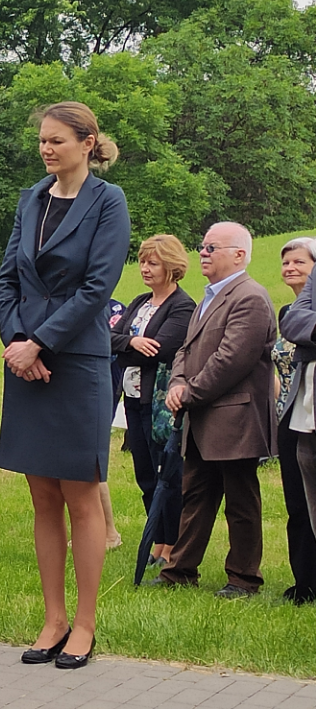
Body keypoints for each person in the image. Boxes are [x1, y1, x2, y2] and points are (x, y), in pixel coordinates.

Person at [0, 103, 129, 668]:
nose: (46, 149)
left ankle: (85, 624)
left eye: (57, 140)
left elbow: (98, 287)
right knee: (42, 497)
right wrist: (17, 344)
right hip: (26, 362)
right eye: (42, 141)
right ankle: (53, 620)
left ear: (87, 142)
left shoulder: (108, 201)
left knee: (81, 495)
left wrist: (41, 343)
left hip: (76, 363)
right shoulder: (31, 198)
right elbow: (6, 279)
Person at [156, 223, 275, 598]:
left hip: (236, 418)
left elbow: (231, 359)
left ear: (239, 255)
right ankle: (179, 571)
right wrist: (176, 382)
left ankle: (243, 578)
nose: (202, 253)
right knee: (196, 496)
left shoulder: (250, 297)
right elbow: (185, 349)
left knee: (240, 501)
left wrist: (188, 392)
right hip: (203, 415)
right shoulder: (209, 297)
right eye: (202, 246)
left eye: (211, 248)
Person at [110, 235, 195, 567]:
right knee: (144, 473)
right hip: (132, 399)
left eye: (153, 263)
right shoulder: (140, 301)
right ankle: (157, 540)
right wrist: (132, 342)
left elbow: (160, 350)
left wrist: (126, 346)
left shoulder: (182, 306)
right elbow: (107, 338)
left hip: (161, 404)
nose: (145, 268)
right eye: (143, 261)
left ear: (171, 266)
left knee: (168, 475)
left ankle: (172, 545)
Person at [272, 237, 316, 605]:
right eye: (286, 262)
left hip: (310, 410)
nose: (290, 268)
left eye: (299, 262)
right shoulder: (288, 311)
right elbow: (291, 330)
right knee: (297, 503)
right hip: (290, 413)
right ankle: (304, 580)